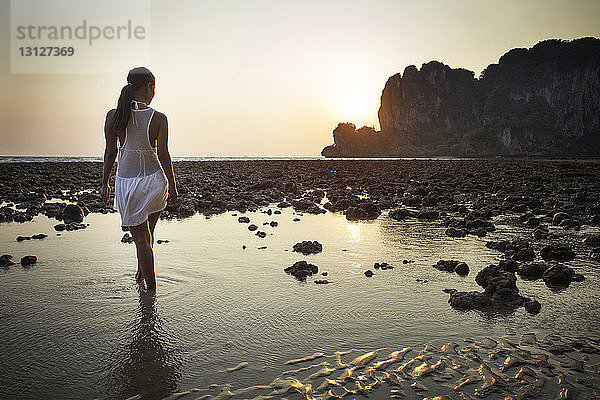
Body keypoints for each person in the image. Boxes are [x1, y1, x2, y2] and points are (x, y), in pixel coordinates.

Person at [101, 66, 178, 291]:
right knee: (148, 236)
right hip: (154, 181)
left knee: (142, 240)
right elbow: (163, 155)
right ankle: (145, 281)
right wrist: (173, 186)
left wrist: (105, 182)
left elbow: (110, 152)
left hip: (128, 183)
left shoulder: (113, 116)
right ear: (149, 87)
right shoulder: (159, 118)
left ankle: (149, 292)